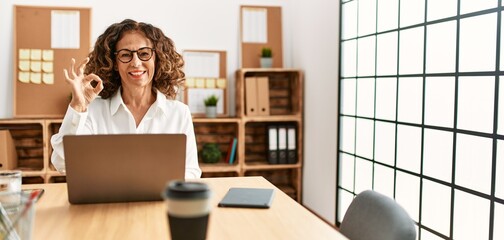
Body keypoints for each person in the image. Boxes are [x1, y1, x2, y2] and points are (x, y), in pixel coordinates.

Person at [50, 19, 201, 179]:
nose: (136, 63)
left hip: (160, 201)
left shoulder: (179, 112)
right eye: (125, 55)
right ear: (114, 63)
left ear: (157, 59)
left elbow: (191, 171)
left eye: (144, 53)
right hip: (106, 202)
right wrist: (78, 106)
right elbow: (62, 164)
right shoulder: (93, 111)